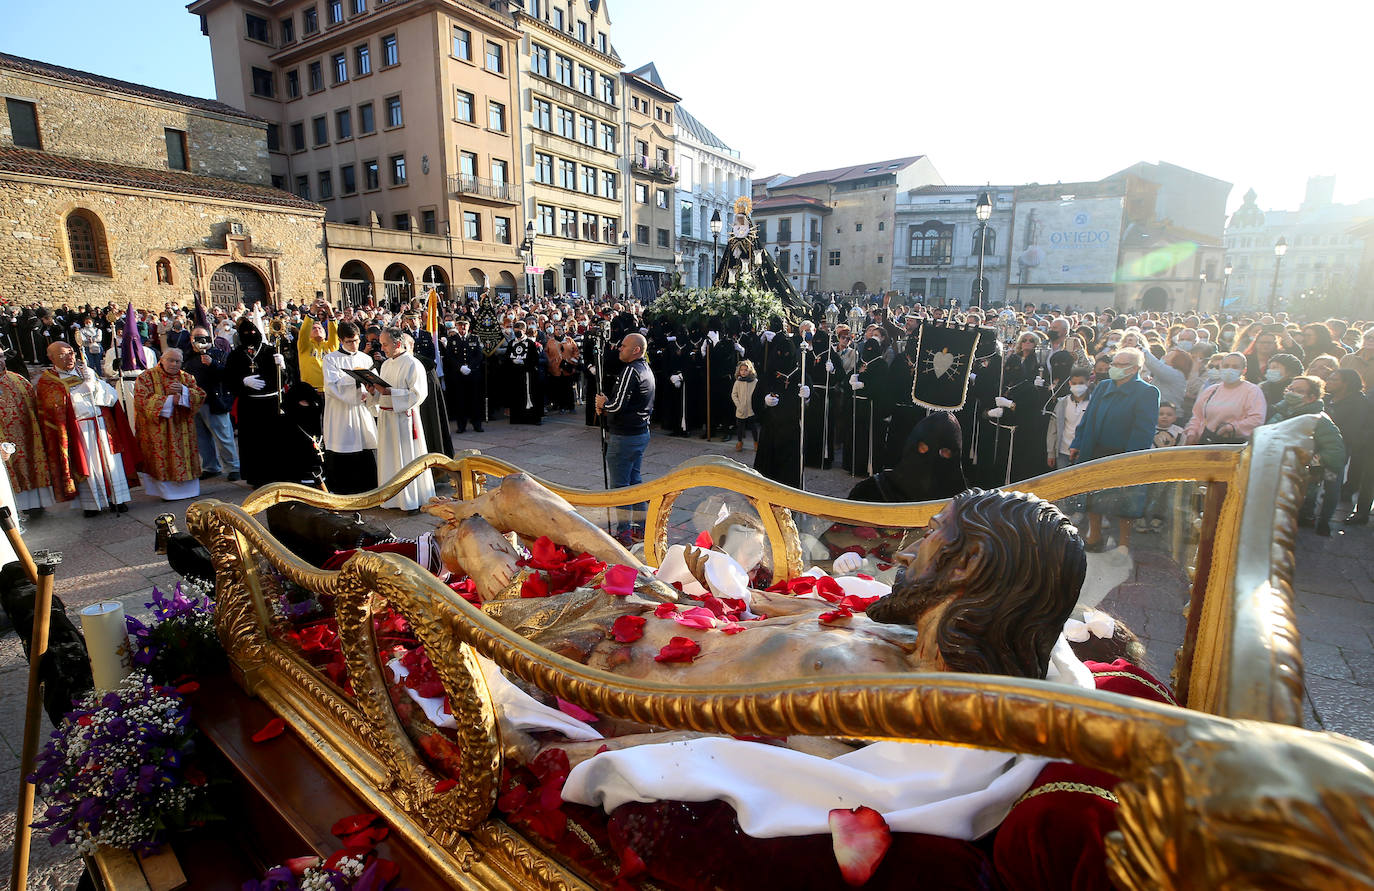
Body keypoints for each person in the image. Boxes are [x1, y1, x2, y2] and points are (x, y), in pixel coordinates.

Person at [1069, 347, 1159, 550]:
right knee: (1093, 496)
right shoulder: (1103, 386)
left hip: (1124, 453)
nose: (1114, 368)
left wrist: (1130, 460)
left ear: (1134, 368)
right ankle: (1094, 536)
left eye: (1120, 365)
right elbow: (1088, 417)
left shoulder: (1147, 392)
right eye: (1114, 364)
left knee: (1125, 503)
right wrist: (1078, 443)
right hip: (1095, 450)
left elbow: (1143, 430)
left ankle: (1124, 544)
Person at [36, 342, 133, 516]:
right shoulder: (48, 380)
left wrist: (96, 384)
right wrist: (81, 389)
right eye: (63, 355)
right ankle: (92, 505)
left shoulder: (86, 371)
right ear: (51, 358)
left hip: (102, 424)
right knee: (88, 464)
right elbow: (53, 406)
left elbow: (110, 398)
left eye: (71, 353)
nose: (70, 357)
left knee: (111, 462)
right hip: (79, 428)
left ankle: (118, 499)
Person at [1265, 375, 1347, 536]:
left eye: (1299, 391)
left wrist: (1308, 459)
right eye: (1291, 389)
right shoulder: (1280, 412)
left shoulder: (1320, 421)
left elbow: (1336, 454)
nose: (1292, 393)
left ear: (1312, 398)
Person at [366, 328, 436, 510]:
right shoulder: (387, 364)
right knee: (389, 458)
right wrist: (373, 391)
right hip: (386, 418)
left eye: (385, 344)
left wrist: (391, 392)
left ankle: (410, 499)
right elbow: (382, 392)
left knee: (405, 459)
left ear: (397, 343)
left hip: (404, 420)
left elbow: (418, 394)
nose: (382, 348)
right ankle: (391, 498)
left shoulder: (413, 364)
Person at [595, 332, 655, 544]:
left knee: (620, 488)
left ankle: (624, 533)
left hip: (625, 436)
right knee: (634, 483)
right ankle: (642, 528)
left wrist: (603, 404)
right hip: (639, 433)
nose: (620, 348)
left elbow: (617, 405)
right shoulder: (645, 368)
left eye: (624, 346)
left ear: (636, 350)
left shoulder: (631, 370)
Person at [225, 317, 290, 488]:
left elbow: (285, 378)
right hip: (250, 405)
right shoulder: (236, 354)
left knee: (274, 440)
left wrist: (282, 366)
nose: (250, 336)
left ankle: (279, 473)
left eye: (253, 332)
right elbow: (228, 379)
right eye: (246, 333)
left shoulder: (270, 351)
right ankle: (257, 477)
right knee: (253, 443)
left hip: (272, 402)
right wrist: (243, 381)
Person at [133, 348, 206, 501]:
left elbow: (200, 395)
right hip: (158, 429)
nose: (174, 364)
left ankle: (189, 490)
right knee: (162, 459)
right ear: (162, 359)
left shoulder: (186, 378)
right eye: (170, 360)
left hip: (183, 427)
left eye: (177, 361)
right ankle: (166, 493)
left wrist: (185, 391)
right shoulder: (146, 377)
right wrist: (168, 400)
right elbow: (141, 400)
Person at [848, 411, 967, 503]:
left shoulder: (962, 505)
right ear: (913, 446)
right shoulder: (870, 491)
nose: (932, 457)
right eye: (925, 447)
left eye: (944, 452)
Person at [321, 321, 379, 494]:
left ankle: (368, 487)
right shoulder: (330, 359)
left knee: (364, 445)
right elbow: (332, 386)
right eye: (349, 342)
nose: (354, 345)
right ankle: (343, 489)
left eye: (356, 341)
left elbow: (374, 380)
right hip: (341, 412)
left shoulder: (365, 358)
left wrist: (371, 388)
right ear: (340, 340)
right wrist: (355, 380)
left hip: (362, 409)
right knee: (344, 446)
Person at [185, 326, 239, 482]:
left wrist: (213, 363)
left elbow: (229, 374)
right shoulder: (189, 358)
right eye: (197, 337)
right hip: (195, 403)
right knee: (202, 439)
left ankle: (233, 467)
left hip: (215, 401)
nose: (201, 341)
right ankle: (210, 467)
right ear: (191, 340)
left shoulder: (219, 354)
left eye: (204, 337)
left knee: (224, 437)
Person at [0, 369, 53, 516]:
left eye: (1, 356)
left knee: (31, 465)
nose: (0, 361)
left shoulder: (18, 380)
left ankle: (36, 505)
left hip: (27, 435)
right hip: (3, 441)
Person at [1184, 352, 1267, 445]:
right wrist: (1191, 434)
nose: (1229, 369)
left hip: (1235, 444)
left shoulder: (1252, 391)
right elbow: (1197, 416)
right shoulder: (1211, 390)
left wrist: (1232, 427)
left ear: (1243, 371)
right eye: (1226, 366)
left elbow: (1257, 419)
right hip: (1207, 441)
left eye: (1235, 367)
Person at [1324, 369, 1372, 526]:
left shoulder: (1359, 402)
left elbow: (1354, 428)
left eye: (1334, 379)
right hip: (1336, 444)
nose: (1329, 381)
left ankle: (1361, 513)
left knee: (1367, 479)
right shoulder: (1329, 397)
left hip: (1353, 445)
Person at [442, 317, 485, 433]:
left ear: (468, 326)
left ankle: (477, 424)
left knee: (475, 399)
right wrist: (459, 367)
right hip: (458, 374)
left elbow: (479, 355)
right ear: (457, 326)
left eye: (465, 325)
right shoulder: (452, 339)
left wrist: (470, 367)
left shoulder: (475, 338)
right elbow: (449, 357)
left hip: (472, 373)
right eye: (460, 325)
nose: (462, 327)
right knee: (460, 400)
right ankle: (461, 425)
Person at [1046, 367, 1092, 471]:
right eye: (1074, 383)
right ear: (1070, 383)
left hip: (1083, 453)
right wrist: (1051, 453)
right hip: (1063, 452)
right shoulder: (1062, 403)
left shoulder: (1093, 403)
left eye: (1081, 383)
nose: (1077, 386)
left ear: (1088, 382)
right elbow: (1053, 429)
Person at [729, 359, 758, 452]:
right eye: (741, 370)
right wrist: (739, 405)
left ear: (750, 370)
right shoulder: (738, 382)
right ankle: (740, 442)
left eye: (746, 370)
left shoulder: (755, 381)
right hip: (741, 409)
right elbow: (734, 394)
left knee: (753, 427)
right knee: (740, 427)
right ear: (739, 371)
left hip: (751, 408)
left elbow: (758, 394)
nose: (743, 372)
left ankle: (756, 442)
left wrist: (755, 404)